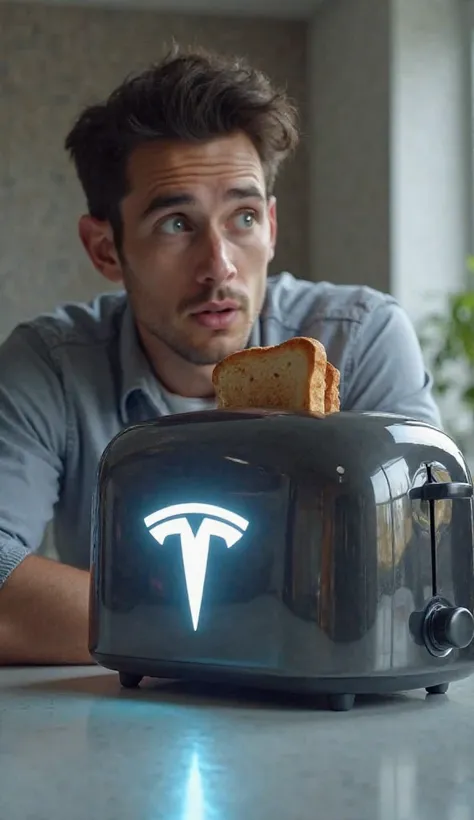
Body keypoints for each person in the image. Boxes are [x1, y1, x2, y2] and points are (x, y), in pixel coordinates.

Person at [0, 46, 441, 666]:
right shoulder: (48, 365)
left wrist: (157, 630)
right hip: (123, 730)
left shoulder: (358, 340)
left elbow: (424, 569)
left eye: (243, 217)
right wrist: (274, 630)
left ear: (272, 226)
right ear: (105, 248)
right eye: (176, 224)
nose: (219, 266)